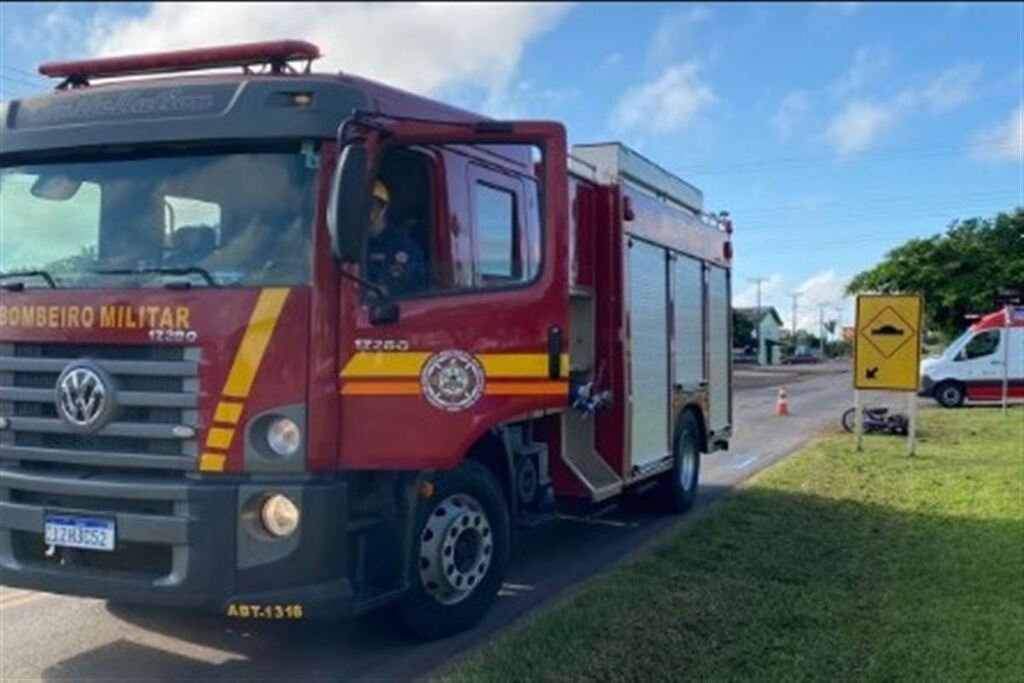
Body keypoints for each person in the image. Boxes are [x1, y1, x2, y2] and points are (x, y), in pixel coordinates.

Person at [366, 179, 427, 298]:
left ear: (384, 209)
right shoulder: (351, 244)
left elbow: (384, 291)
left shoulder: (402, 247)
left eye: (372, 205)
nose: (367, 211)